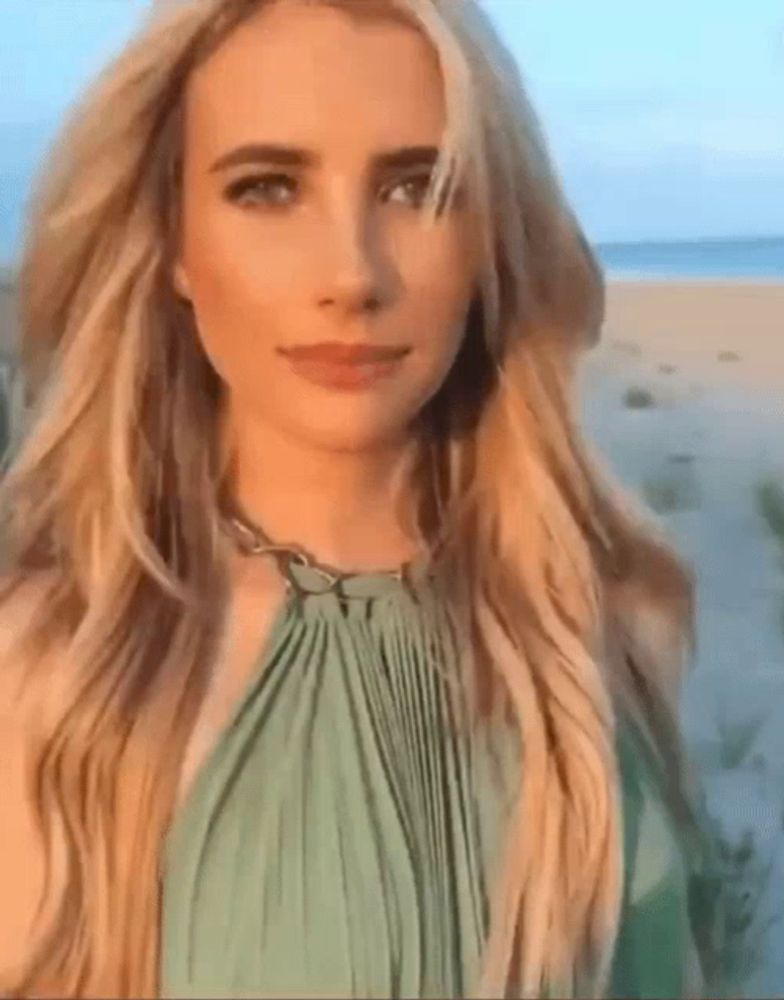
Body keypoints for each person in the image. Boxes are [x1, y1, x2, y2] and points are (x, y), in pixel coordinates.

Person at [0, 1, 715, 997]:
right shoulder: (58, 670)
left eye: (417, 186)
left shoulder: (595, 634)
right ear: (173, 244)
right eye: (267, 188)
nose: (350, 275)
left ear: (488, 236)